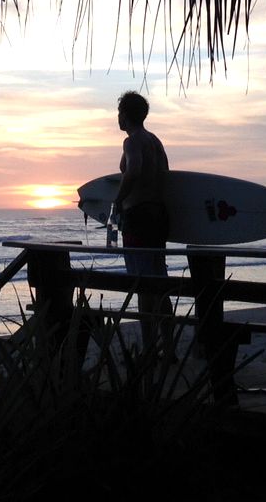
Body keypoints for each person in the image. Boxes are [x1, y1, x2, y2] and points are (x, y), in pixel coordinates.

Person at [113, 91, 174, 359]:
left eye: (119, 112)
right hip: (158, 215)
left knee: (141, 283)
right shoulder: (155, 141)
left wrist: (118, 201)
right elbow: (165, 176)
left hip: (138, 218)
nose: (118, 117)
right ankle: (168, 347)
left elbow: (134, 171)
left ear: (125, 115)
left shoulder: (132, 141)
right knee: (159, 280)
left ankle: (150, 349)